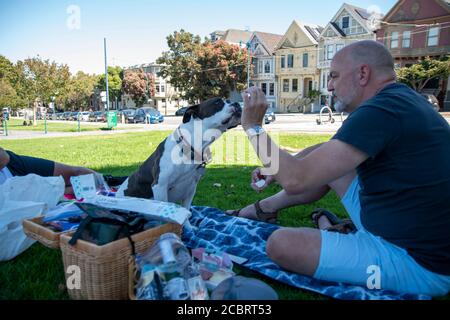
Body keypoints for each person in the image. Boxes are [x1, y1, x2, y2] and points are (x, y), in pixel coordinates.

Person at [229, 40, 450, 297]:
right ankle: (261, 210)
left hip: (416, 262)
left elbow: (296, 180)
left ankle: (343, 240)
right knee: (334, 165)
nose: (330, 85)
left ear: (363, 73)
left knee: (280, 245)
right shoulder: (399, 100)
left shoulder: (382, 110)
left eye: (334, 76)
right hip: (396, 223)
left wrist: (253, 127)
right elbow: (327, 153)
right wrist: (274, 168)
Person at [0, 146, 125, 194]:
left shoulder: (12, 162)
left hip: (13, 166)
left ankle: (110, 181)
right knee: (55, 192)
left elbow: (4, 158)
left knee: (76, 174)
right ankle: (105, 185)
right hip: (12, 194)